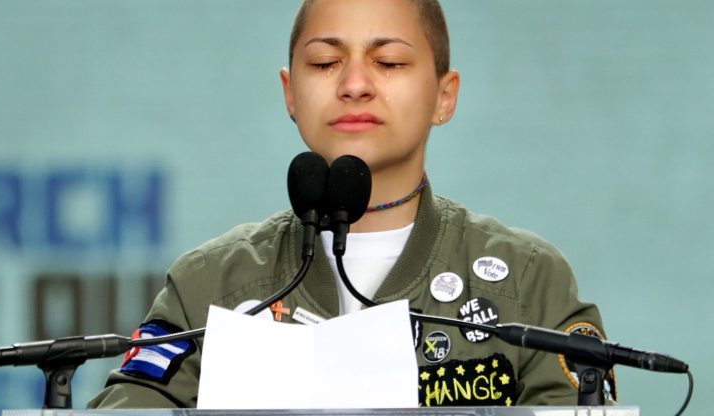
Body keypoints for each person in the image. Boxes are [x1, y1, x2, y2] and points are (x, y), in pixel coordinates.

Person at [89, 0, 615, 408]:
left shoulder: (527, 280)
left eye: (388, 61)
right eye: (325, 62)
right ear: (290, 92)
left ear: (443, 96)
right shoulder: (210, 283)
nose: (355, 85)